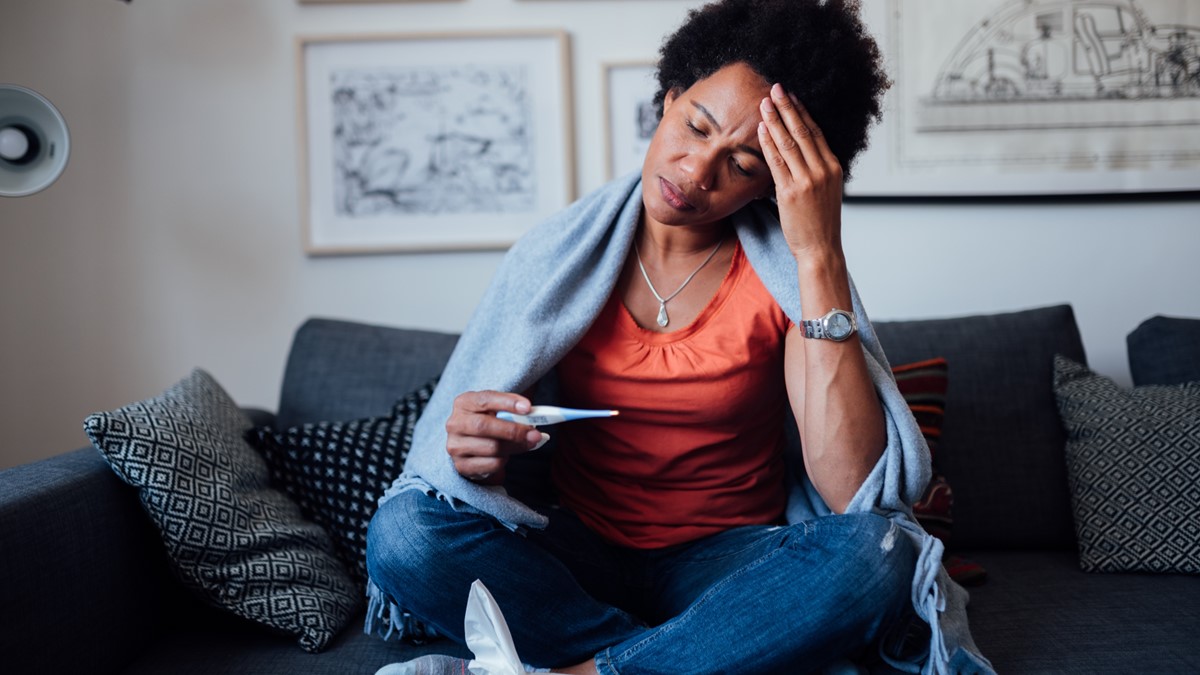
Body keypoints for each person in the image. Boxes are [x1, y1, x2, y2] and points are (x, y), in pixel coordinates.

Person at [365, 1, 993, 673]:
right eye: (696, 125)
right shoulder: (557, 257)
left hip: (727, 562)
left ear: (775, 185)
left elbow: (850, 493)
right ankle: (693, 652)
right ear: (668, 98)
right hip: (577, 556)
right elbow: (462, 461)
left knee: (880, 555)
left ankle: (584, 666)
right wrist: (475, 450)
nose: (696, 174)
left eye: (743, 164)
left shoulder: (786, 276)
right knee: (403, 534)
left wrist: (820, 256)